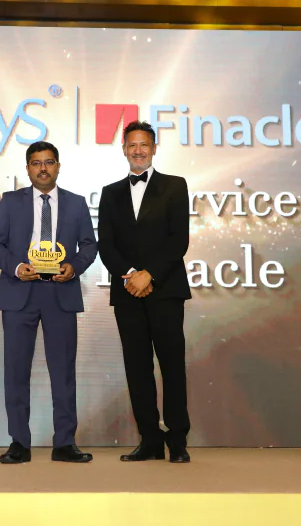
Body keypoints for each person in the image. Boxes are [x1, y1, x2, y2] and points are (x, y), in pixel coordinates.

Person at [0, 141, 98, 463]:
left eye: (49, 162)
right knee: (16, 371)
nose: (43, 169)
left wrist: (74, 266)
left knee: (63, 372)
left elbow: (89, 245)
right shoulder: (11, 202)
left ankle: (65, 443)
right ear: (27, 169)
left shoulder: (76, 203)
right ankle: (19, 443)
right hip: (19, 292)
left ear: (58, 166)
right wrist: (16, 267)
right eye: (36, 163)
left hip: (60, 293)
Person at [97, 120, 192, 463]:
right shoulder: (110, 193)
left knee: (172, 366)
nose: (138, 150)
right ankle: (150, 439)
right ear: (124, 149)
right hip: (127, 292)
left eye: (144, 144)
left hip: (165, 290)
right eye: (132, 145)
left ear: (154, 148)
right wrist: (131, 275)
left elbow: (178, 239)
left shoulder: (175, 186)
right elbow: (106, 244)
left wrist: (149, 275)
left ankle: (177, 441)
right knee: (137, 369)